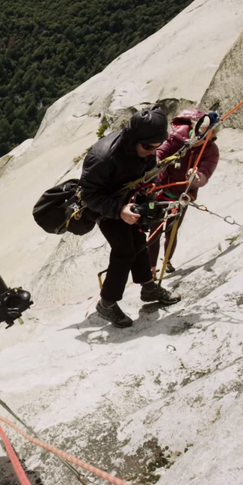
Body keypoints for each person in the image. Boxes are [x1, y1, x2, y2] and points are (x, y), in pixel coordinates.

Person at [79, 105, 181, 328]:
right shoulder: (103, 157)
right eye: (147, 146)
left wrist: (148, 197)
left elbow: (148, 174)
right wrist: (119, 210)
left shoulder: (144, 149)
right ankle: (106, 304)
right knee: (124, 251)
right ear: (135, 139)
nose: (152, 151)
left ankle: (148, 288)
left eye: (157, 146)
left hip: (129, 200)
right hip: (105, 206)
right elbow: (88, 195)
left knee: (138, 243)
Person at [148, 110, 220, 276]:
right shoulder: (176, 138)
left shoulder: (210, 150)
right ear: (194, 126)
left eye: (206, 134)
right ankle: (151, 268)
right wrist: (158, 163)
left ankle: (166, 261)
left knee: (171, 230)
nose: (200, 137)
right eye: (199, 131)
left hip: (182, 195)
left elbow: (206, 171)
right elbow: (160, 152)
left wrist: (197, 177)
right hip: (161, 189)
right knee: (155, 229)